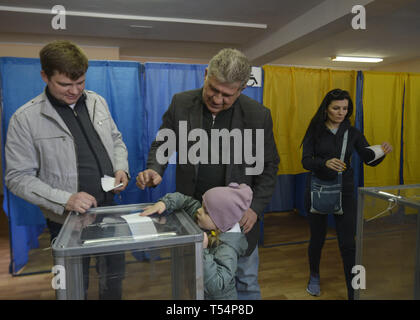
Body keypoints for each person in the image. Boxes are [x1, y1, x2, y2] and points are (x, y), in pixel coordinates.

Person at [136, 48, 280, 299]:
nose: (216, 98)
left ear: (242, 88)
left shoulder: (258, 115)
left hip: (236, 218)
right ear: (205, 74)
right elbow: (163, 143)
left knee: (245, 280)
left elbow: (269, 167)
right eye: (212, 89)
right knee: (197, 279)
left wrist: (255, 207)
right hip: (195, 212)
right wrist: (154, 168)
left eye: (227, 94)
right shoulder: (181, 102)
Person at [5, 40, 130, 299]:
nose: (75, 90)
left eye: (80, 82)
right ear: (45, 76)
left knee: (113, 279)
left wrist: (121, 168)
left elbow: (116, 140)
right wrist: (66, 199)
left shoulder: (98, 102)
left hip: (110, 211)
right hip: (67, 222)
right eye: (65, 84)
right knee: (72, 286)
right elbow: (17, 178)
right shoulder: (24, 119)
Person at [301, 88, 393, 300]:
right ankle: (314, 276)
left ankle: (354, 290)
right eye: (336, 108)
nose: (341, 112)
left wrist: (382, 152)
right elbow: (305, 161)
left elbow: (368, 158)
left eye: (345, 108)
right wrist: (323, 162)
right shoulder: (315, 129)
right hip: (318, 191)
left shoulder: (353, 133)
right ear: (326, 109)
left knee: (349, 244)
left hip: (345, 192)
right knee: (317, 239)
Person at [141, 182, 251, 300]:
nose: (199, 211)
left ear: (220, 222)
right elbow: (185, 201)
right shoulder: (206, 220)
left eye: (206, 211)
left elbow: (216, 285)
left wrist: (203, 251)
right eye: (202, 206)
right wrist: (164, 203)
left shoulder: (228, 250)